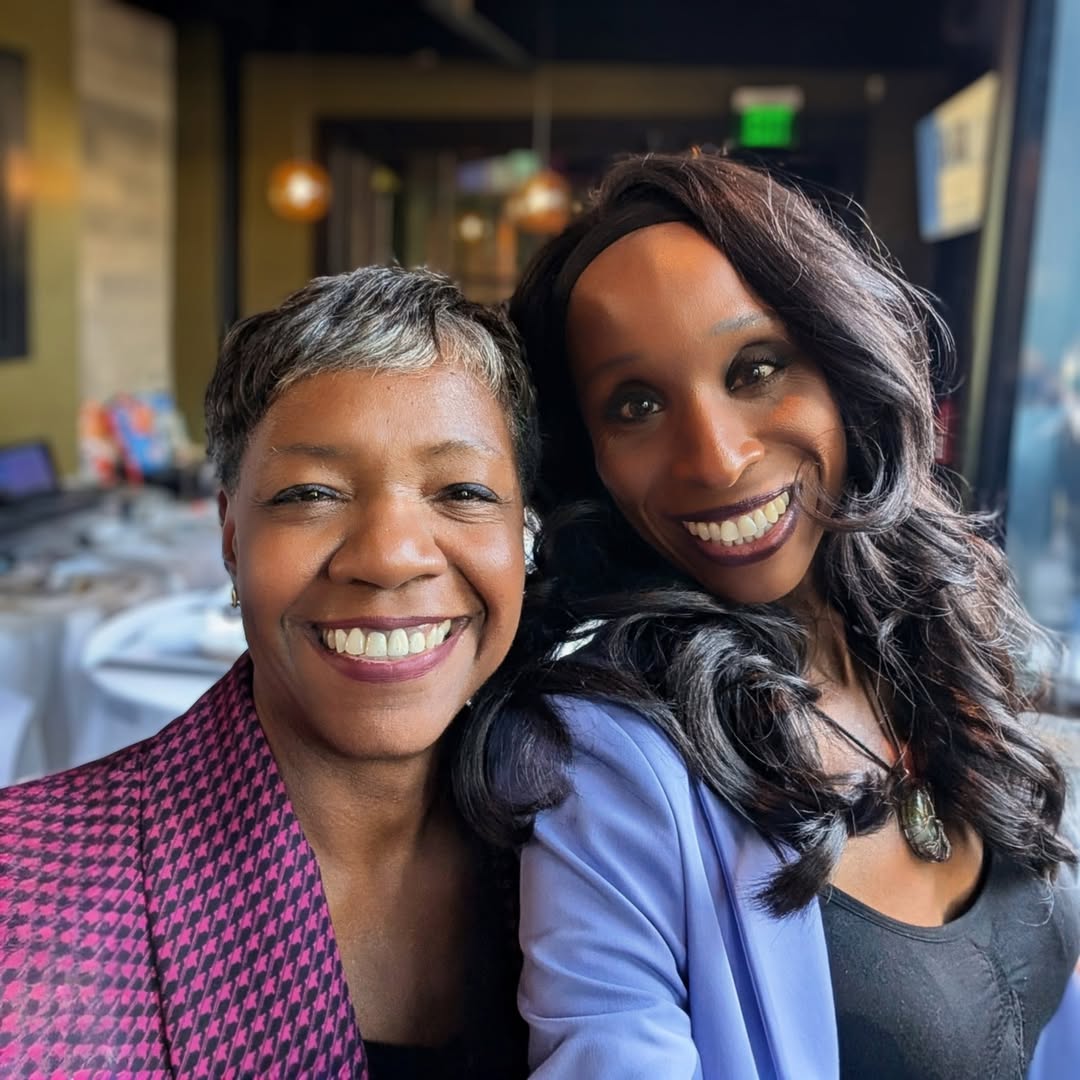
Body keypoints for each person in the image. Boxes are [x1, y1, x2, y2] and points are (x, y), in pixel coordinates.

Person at [460, 152, 1080, 1078]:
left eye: (756, 367)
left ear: (840, 363)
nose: (713, 457)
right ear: (590, 459)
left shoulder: (931, 647)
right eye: (636, 404)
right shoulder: (603, 765)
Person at [0, 266, 535, 1078]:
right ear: (229, 532)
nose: (390, 557)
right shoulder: (26, 902)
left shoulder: (593, 844)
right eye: (312, 493)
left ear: (523, 531)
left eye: (462, 489)